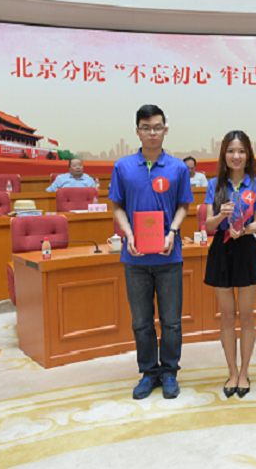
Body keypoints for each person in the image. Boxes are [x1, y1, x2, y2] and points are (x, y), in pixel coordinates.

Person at [110, 105, 193, 401]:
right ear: (138, 131)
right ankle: (148, 372)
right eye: (146, 128)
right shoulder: (122, 167)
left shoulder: (178, 168)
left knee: (171, 321)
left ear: (165, 129)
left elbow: (184, 205)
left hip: (169, 257)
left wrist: (172, 231)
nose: (152, 133)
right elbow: (117, 206)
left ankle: (169, 371)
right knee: (141, 322)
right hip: (135, 259)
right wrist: (129, 234)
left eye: (157, 127)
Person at [203, 131, 256, 399]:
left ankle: (244, 372)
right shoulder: (214, 185)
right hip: (221, 249)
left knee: (247, 315)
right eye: (231, 151)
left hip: (246, 248)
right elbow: (208, 224)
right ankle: (231, 371)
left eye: (241, 151)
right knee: (228, 316)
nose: (236, 156)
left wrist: (244, 230)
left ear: (248, 155)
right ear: (224, 155)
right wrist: (221, 215)